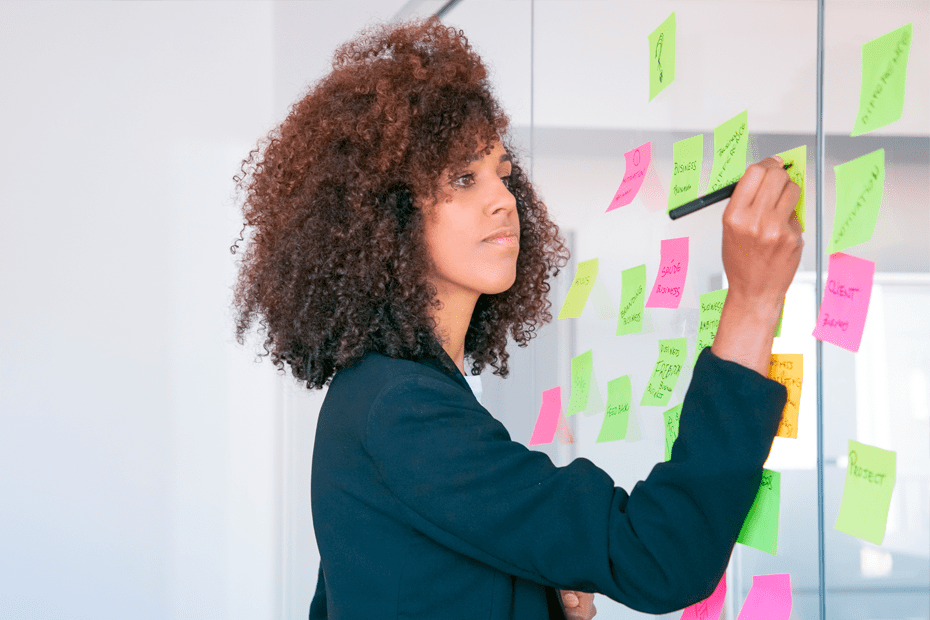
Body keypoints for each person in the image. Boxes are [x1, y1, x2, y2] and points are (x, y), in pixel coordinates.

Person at [231, 17, 802, 620]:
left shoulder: (386, 391)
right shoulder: (399, 406)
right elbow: (661, 554)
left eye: (502, 175)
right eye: (462, 178)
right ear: (384, 213)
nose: (504, 199)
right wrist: (753, 300)